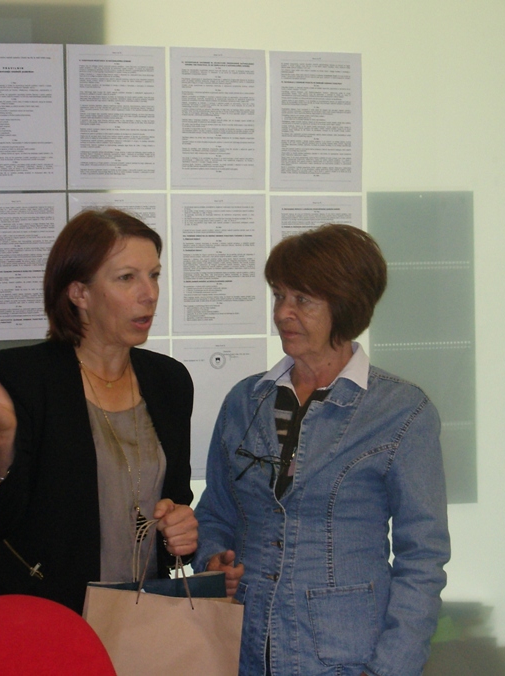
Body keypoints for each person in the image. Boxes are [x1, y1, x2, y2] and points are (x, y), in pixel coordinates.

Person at [195, 223, 450, 676]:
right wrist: (214, 560)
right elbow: (215, 513)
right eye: (279, 295)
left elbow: (422, 560)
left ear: (346, 305)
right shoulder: (244, 402)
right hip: (243, 650)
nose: (282, 313)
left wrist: (390, 668)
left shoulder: (401, 412)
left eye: (303, 300)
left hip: (347, 659)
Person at [0, 209, 198, 613]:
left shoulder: (169, 381)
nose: (149, 293)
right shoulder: (24, 377)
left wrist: (183, 532)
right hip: (45, 616)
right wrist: (4, 436)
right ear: (79, 293)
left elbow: (175, 506)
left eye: (154, 275)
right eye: (127, 278)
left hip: (142, 618)